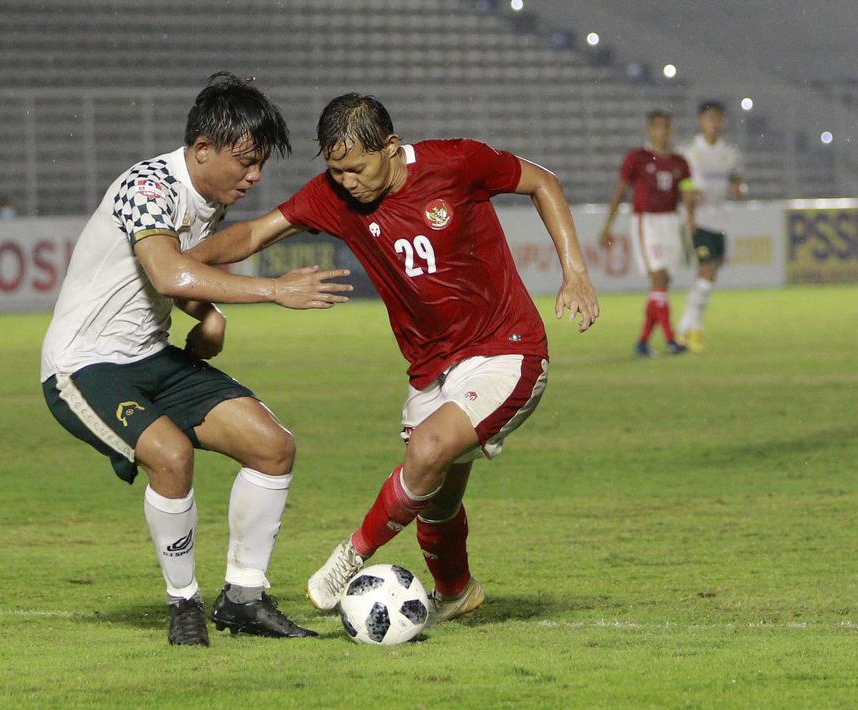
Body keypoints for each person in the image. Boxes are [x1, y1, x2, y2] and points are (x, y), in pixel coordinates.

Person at [188, 93, 599, 624]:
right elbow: (252, 233)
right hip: (430, 369)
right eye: (335, 172)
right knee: (435, 497)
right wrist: (177, 262)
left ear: (389, 147)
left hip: (506, 349)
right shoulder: (334, 195)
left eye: (356, 169)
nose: (346, 183)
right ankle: (457, 592)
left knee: (427, 452)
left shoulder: (457, 163)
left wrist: (576, 271)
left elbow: (543, 181)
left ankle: (353, 554)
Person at [39, 73, 352, 647]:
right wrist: (272, 291)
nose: (254, 175)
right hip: (82, 367)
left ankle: (243, 599)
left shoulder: (206, 197)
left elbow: (190, 273)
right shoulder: (149, 185)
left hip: (152, 358)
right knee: (171, 455)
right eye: (246, 161)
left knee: (272, 446)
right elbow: (167, 271)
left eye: (260, 163)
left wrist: (205, 312)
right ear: (202, 149)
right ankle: (184, 603)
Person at [599, 110, 690, 357]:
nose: (662, 131)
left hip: (671, 222)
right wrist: (608, 224)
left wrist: (690, 223)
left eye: (666, 127)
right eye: (658, 127)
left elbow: (687, 194)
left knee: (663, 283)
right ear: (650, 130)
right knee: (658, 277)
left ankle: (642, 342)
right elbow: (621, 189)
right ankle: (671, 340)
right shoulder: (637, 157)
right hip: (646, 222)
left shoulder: (680, 162)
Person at [676, 100, 745, 353]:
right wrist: (690, 217)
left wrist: (739, 189)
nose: (714, 124)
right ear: (700, 122)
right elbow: (683, 185)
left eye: (718, 118)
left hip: (720, 220)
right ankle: (690, 330)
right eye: (709, 118)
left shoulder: (729, 153)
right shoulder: (691, 152)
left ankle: (689, 327)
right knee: (706, 269)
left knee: (709, 275)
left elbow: (737, 181)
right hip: (699, 220)